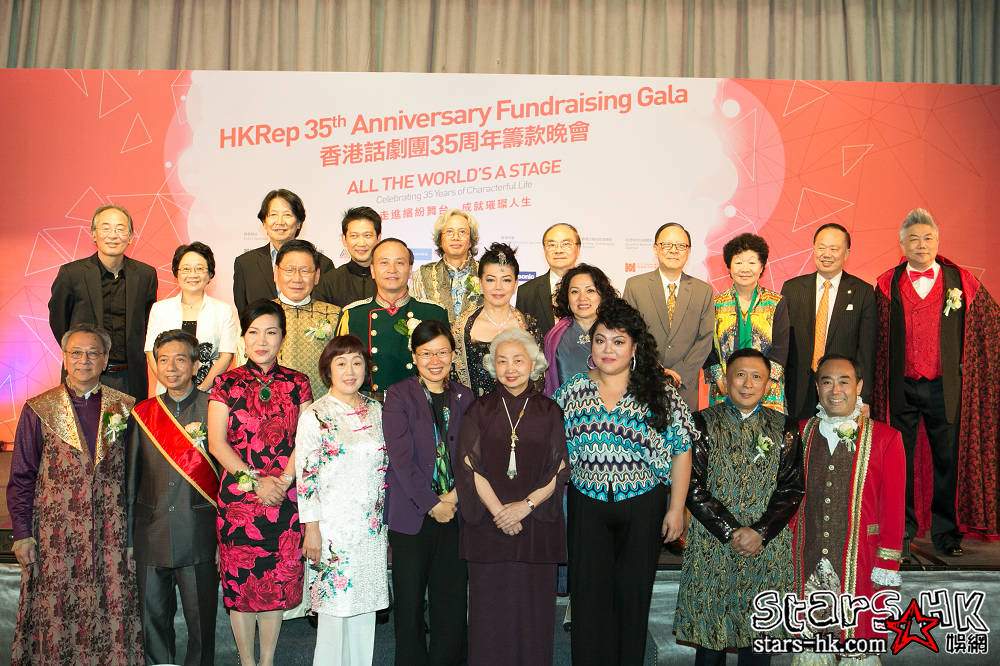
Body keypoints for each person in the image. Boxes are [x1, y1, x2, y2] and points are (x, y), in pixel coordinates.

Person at [553, 298, 693, 666]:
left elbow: (681, 450)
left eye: (618, 341)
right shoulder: (570, 392)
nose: (608, 349)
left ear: (634, 348)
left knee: (633, 598)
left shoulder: (660, 392)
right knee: (588, 597)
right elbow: (553, 450)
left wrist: (676, 509)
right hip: (587, 504)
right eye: (600, 340)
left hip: (643, 504)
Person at [7, 323, 142, 665]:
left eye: (93, 353)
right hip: (55, 533)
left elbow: (135, 476)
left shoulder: (124, 408)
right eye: (76, 353)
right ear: (65, 358)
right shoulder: (40, 408)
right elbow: (22, 475)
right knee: (55, 612)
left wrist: (132, 535)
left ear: (106, 359)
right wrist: (22, 533)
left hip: (109, 534)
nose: (84, 360)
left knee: (110, 608)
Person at [872, 208, 1000, 558]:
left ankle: (946, 533)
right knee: (900, 462)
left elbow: (989, 325)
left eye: (928, 238)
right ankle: (902, 530)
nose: (921, 245)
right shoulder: (886, 283)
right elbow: (876, 338)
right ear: (901, 245)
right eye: (913, 239)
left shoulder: (961, 280)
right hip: (901, 387)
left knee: (947, 462)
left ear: (938, 241)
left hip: (946, 388)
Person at [675, 348, 805, 666]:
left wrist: (760, 531)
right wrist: (731, 530)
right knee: (711, 638)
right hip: (713, 544)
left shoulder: (785, 427)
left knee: (758, 638)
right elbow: (692, 485)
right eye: (740, 375)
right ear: (726, 380)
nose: (747, 384)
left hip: (766, 546)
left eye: (756, 377)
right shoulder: (701, 423)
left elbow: (792, 487)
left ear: (768, 385)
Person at [207, 299, 313, 666]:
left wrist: (283, 480)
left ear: (283, 337)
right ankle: (247, 661)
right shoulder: (226, 383)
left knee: (275, 583)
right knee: (242, 585)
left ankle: (267, 660)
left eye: (271, 332)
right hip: (239, 500)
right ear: (243, 337)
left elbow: (306, 440)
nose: (262, 341)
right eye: (253, 332)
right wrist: (255, 483)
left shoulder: (298, 382)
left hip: (284, 496)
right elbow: (217, 443)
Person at [455, 328, 568, 666]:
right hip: (489, 527)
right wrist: (499, 512)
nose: (510, 368)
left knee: (533, 615)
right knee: (490, 616)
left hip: (535, 525)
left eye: (518, 360)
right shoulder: (479, 409)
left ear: (533, 364)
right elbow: (469, 465)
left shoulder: (549, 410)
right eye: (502, 361)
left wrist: (525, 506)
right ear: (493, 366)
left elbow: (560, 468)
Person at [789, 353, 904, 659]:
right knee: (812, 650)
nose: (835, 390)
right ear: (817, 388)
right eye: (827, 382)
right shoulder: (799, 433)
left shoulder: (886, 438)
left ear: (859, 386)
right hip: (808, 560)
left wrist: (887, 564)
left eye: (844, 381)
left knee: (856, 647)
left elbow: (893, 509)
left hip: (861, 561)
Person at [383, 320, 475, 666]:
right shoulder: (399, 395)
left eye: (441, 352)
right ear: (414, 356)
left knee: (451, 600)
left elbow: (473, 456)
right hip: (412, 514)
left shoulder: (466, 397)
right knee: (409, 604)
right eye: (426, 353)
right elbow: (400, 458)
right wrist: (432, 504)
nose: (434, 361)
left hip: (455, 513)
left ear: (452, 355)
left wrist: (453, 498)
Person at [295, 335, 389, 666]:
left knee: (364, 609)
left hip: (370, 528)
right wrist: (311, 528)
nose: (350, 371)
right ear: (328, 370)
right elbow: (306, 477)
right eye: (341, 363)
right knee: (334, 612)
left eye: (357, 363)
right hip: (332, 529)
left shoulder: (377, 410)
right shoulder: (315, 415)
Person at [129, 329, 220, 666]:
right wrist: (129, 538)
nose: (171, 367)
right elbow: (132, 480)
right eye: (163, 360)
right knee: (153, 626)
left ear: (196, 366)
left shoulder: (214, 408)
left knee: (201, 628)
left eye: (180, 359)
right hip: (150, 534)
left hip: (198, 534)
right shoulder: (142, 413)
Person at [48, 204, 158, 400]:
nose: (113, 235)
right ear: (93, 234)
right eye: (106, 228)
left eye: (120, 229)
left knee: (132, 421)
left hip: (130, 377)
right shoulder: (72, 274)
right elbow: (59, 321)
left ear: (130, 236)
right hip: (84, 373)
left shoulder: (145, 275)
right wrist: (77, 354)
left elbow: (149, 322)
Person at [781, 223, 877, 421]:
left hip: (840, 390)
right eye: (821, 247)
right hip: (797, 388)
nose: (826, 254)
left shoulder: (863, 292)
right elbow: (782, 343)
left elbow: (866, 350)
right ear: (813, 249)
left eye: (834, 249)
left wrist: (864, 397)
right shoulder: (792, 289)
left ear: (847, 253)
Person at [337, 238, 449, 398]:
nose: (392, 270)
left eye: (400, 263)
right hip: (368, 405)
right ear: (372, 270)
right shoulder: (353, 315)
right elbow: (340, 370)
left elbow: (445, 370)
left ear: (410, 270)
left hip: (420, 403)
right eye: (384, 263)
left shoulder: (433, 313)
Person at [623, 222, 715, 412]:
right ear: (655, 248)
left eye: (681, 246)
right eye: (667, 245)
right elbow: (628, 334)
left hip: (685, 387)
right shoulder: (635, 286)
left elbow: (705, 340)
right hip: (645, 383)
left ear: (688, 251)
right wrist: (656, 370)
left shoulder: (703, 291)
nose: (674, 250)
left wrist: (679, 373)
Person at [704, 233, 790, 412]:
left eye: (751, 262)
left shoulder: (775, 302)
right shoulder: (715, 304)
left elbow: (781, 348)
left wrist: (766, 384)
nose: (745, 269)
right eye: (738, 262)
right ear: (729, 267)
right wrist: (720, 380)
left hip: (767, 392)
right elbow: (707, 347)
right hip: (725, 390)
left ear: (762, 267)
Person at [144, 242, 239, 392]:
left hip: (208, 393)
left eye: (199, 269)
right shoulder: (159, 309)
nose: (193, 274)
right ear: (176, 273)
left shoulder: (223, 310)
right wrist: (171, 387)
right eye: (186, 269)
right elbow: (150, 352)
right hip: (168, 393)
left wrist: (201, 390)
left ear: (210, 274)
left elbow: (226, 356)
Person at [454, 242, 542, 397]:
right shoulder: (461, 328)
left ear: (515, 284)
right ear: (480, 283)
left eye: (506, 280)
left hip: (520, 410)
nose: (498, 287)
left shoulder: (528, 325)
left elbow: (538, 380)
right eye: (490, 280)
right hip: (472, 410)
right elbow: (454, 383)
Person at [232, 189, 336, 313]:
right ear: (264, 222)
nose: (280, 222)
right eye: (273, 215)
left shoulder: (323, 263)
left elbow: (328, 311)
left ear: (299, 223)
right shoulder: (246, 263)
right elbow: (244, 313)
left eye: (287, 215)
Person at [272, 239, 342, 398]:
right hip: (270, 405)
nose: (297, 278)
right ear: (276, 273)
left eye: (305, 271)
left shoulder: (335, 315)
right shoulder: (261, 314)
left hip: (321, 405)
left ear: (317, 275)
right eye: (289, 270)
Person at [543, 263, 618, 396]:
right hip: (564, 407)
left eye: (590, 291)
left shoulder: (618, 332)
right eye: (574, 291)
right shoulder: (554, 336)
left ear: (602, 295)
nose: (582, 298)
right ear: (567, 297)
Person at [411, 208, 482, 322]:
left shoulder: (485, 273)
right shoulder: (422, 275)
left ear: (470, 240)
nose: (456, 237)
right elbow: (414, 316)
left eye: (462, 232)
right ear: (440, 239)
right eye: (449, 232)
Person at [515, 223, 581, 336]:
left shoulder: (595, 288)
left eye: (566, 244)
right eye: (551, 245)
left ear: (578, 249)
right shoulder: (526, 292)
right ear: (544, 250)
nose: (558, 250)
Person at [319, 206, 381, 308]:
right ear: (344, 239)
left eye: (367, 235)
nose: (361, 243)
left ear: (378, 238)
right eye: (354, 236)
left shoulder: (389, 277)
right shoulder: (329, 281)